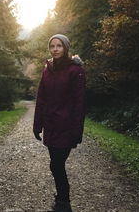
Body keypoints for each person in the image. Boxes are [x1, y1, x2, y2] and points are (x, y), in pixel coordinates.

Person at [33, 34, 86, 212]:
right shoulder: (47, 69)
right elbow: (41, 98)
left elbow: (80, 103)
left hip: (67, 126)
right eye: (52, 46)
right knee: (55, 164)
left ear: (66, 48)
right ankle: (62, 199)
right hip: (51, 125)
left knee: (56, 164)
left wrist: (77, 131)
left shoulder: (75, 71)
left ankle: (64, 202)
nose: (55, 49)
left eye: (59, 46)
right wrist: (37, 125)